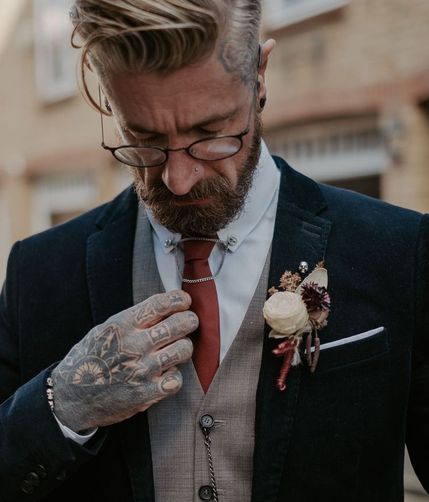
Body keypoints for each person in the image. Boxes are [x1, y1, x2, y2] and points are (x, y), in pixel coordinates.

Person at [0, 1, 428, 500]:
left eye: (210, 134)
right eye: (145, 139)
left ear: (260, 77)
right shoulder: (38, 272)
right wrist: (61, 406)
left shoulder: (400, 250)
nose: (179, 182)